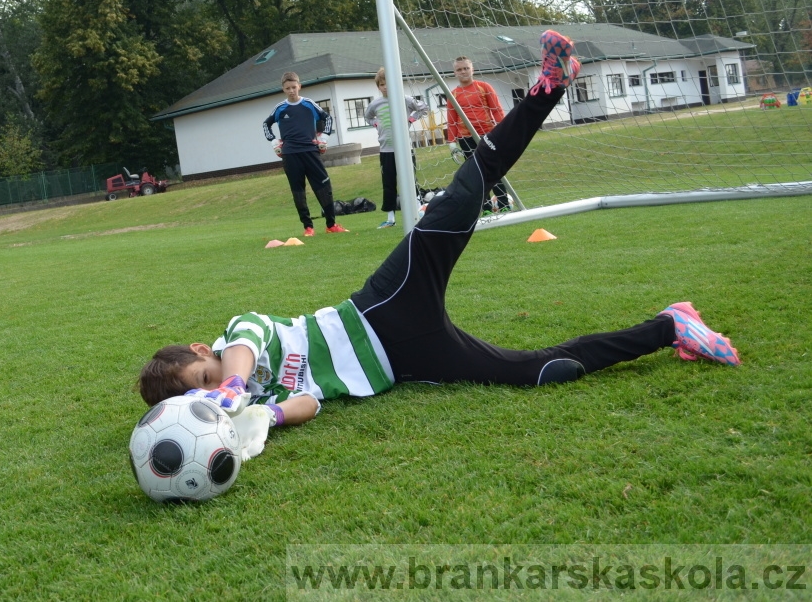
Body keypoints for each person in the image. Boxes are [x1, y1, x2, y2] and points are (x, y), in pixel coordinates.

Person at [139, 32, 740, 439]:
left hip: (380, 308)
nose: (213, 391)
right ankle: (672, 326)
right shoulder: (247, 403)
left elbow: (244, 342)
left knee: (466, 188)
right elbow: (310, 403)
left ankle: (551, 85)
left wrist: (231, 386)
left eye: (203, 380)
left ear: (201, 351)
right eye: (203, 396)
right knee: (538, 373)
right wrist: (261, 416)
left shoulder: (237, 344)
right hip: (408, 360)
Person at [262, 71, 347, 237]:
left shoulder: (309, 104)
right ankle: (308, 227)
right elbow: (266, 124)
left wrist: (324, 138)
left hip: (311, 152)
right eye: (288, 88)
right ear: (283, 89)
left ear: (299, 86)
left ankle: (331, 225)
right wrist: (274, 142)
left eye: (294, 87)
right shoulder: (280, 108)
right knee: (298, 191)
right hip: (290, 155)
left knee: (324, 187)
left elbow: (327, 118)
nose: (291, 91)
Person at [364, 67, 429, 228]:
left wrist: (411, 120)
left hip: (405, 150)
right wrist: (376, 123)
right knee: (389, 183)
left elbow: (423, 108)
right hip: (386, 150)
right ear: (378, 87)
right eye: (382, 84)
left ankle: (418, 210)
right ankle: (390, 218)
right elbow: (368, 117)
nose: (385, 87)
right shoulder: (375, 104)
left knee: (410, 181)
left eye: (388, 83)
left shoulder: (404, 99)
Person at [446, 56, 511, 213]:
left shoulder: (484, 87)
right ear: (455, 72)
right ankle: (485, 207)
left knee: (493, 169)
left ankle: (504, 205)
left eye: (466, 68)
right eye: (459, 69)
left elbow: (497, 110)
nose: (463, 72)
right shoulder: (453, 94)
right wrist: (452, 142)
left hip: (487, 135)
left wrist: (504, 131)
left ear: (472, 69)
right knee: (476, 174)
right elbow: (452, 120)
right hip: (466, 139)